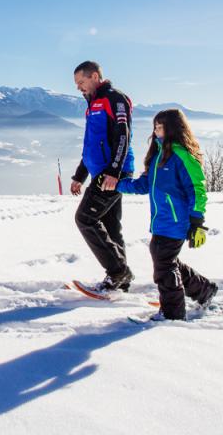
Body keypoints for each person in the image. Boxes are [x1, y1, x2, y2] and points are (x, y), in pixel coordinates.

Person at [116, 109, 218, 320]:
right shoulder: (158, 155)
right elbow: (144, 185)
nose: (156, 130)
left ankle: (172, 314)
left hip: (176, 221)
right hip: (161, 220)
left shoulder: (181, 155)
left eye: (160, 126)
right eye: (155, 126)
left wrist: (197, 221)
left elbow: (197, 189)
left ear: (173, 128)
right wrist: (117, 185)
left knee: (164, 264)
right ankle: (203, 290)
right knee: (167, 260)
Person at [71, 61, 135, 291]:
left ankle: (119, 272)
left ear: (95, 76)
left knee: (85, 218)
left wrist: (114, 171)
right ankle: (121, 282)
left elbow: (122, 135)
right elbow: (92, 145)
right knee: (110, 226)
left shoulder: (114, 98)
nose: (79, 88)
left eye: (81, 82)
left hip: (113, 172)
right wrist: (80, 175)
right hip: (102, 171)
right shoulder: (93, 103)